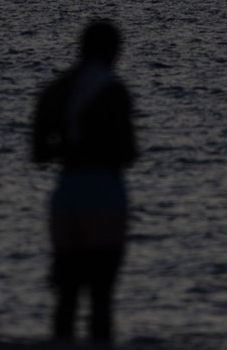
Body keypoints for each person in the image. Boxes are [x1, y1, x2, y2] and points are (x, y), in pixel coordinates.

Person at [33, 20, 137, 345]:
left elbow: (38, 152)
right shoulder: (113, 90)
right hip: (104, 194)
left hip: (67, 194)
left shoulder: (54, 90)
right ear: (111, 51)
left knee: (66, 294)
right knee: (101, 297)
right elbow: (128, 152)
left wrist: (70, 148)